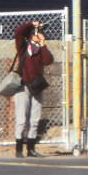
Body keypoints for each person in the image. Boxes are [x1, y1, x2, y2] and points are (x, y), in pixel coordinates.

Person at [12, 19, 54, 158]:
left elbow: (48, 60)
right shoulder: (23, 46)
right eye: (37, 33)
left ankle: (31, 149)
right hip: (23, 86)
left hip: (37, 86)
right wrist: (32, 24)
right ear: (30, 35)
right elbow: (18, 32)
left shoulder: (40, 50)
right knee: (21, 118)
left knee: (34, 119)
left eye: (41, 33)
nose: (40, 34)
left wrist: (43, 45)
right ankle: (18, 149)